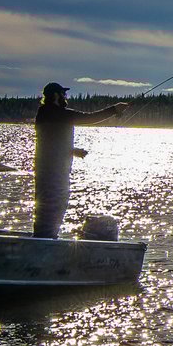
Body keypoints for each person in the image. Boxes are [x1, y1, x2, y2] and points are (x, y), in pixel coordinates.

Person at [32, 82, 129, 237]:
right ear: (56, 96)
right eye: (63, 94)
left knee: (50, 210)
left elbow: (51, 142)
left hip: (49, 170)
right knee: (52, 208)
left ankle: (45, 240)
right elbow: (90, 118)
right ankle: (43, 244)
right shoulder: (56, 113)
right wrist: (114, 109)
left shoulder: (46, 113)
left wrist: (72, 151)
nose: (65, 97)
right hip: (53, 173)